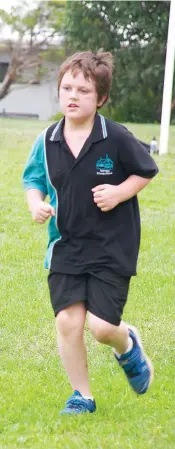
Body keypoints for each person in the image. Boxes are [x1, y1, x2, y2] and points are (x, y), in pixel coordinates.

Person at [23, 50, 159, 415]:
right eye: (67, 87)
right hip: (65, 244)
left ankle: (127, 345)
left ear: (100, 98)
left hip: (111, 247)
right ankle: (81, 396)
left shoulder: (115, 137)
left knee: (101, 327)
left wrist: (119, 192)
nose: (72, 95)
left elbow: (146, 170)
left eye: (83, 90)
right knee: (68, 321)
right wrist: (35, 203)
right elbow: (33, 179)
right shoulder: (48, 140)